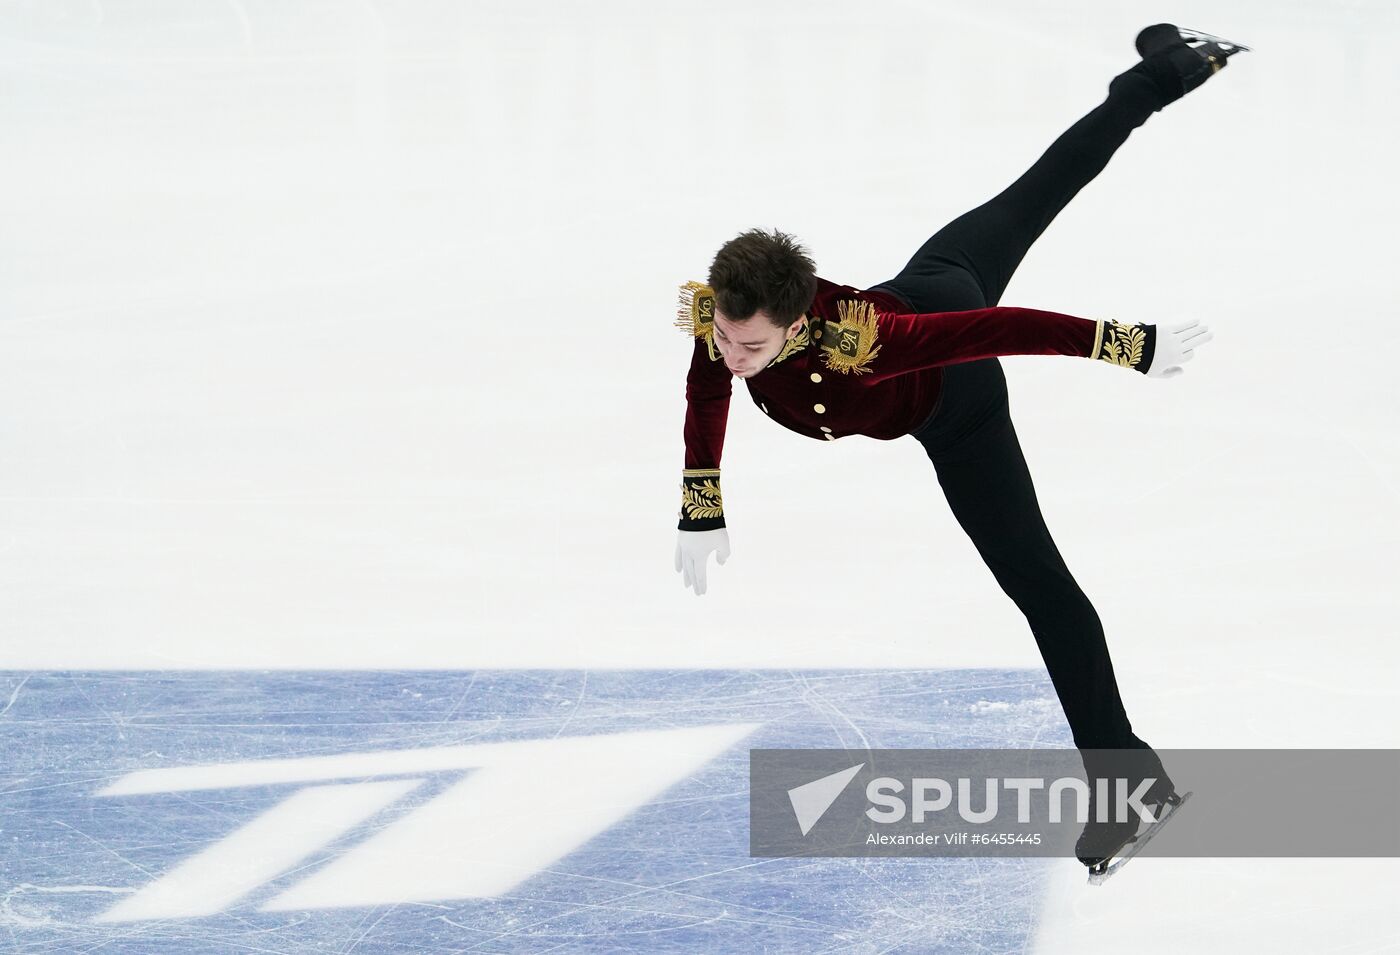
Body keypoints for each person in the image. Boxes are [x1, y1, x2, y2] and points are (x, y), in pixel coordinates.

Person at [671, 24, 1249, 873]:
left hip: (956, 396)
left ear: (798, 323)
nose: (731, 353)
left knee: (1041, 587)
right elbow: (706, 388)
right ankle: (1173, 60)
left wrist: (1126, 343)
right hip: (934, 271)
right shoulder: (721, 317)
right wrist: (701, 502)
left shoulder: (864, 342)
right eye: (723, 334)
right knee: (1040, 188)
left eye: (751, 346)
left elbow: (1000, 327)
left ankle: (1130, 781)